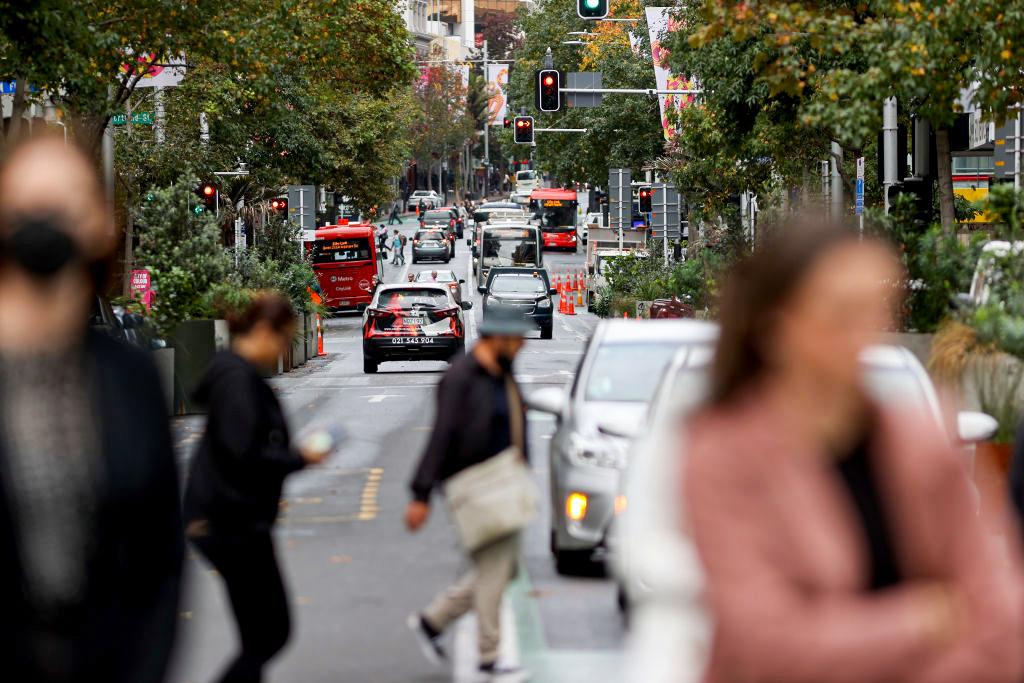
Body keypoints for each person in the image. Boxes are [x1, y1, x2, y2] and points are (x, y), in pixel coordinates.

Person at [684, 221, 1024, 683]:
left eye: (876, 312)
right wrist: (922, 620)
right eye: (841, 315)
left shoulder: (920, 440)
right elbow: (768, 645)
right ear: (775, 327)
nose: (863, 335)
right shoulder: (725, 456)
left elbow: (999, 622)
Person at [0, 135, 183, 683]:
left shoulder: (128, 378)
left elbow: (159, 561)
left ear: (100, 225)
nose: (46, 223)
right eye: (30, 205)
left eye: (65, 205)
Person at [183, 293, 330, 683]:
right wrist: (299, 458)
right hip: (232, 520)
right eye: (284, 339)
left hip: (231, 517)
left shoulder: (235, 375)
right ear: (264, 330)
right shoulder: (237, 380)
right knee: (269, 631)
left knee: (263, 633)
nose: (284, 349)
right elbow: (244, 453)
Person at [405, 308, 535, 679]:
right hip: (473, 486)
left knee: (503, 568)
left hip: (504, 483)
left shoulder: (503, 373)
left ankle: (433, 621)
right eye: (517, 339)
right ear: (498, 338)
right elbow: (441, 435)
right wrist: (420, 493)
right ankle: (489, 654)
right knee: (495, 569)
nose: (522, 346)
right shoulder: (460, 378)